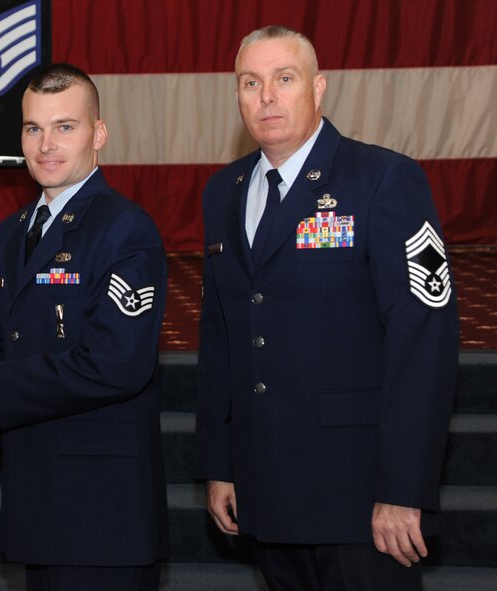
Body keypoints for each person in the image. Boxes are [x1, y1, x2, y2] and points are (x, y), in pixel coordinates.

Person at [194, 25, 459, 590]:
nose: (266, 96)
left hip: (359, 498)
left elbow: (423, 343)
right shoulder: (223, 192)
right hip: (265, 488)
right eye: (250, 82)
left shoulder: (384, 179)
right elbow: (220, 340)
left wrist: (402, 490)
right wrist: (221, 466)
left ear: (318, 88)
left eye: (283, 79)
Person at [0, 63, 169, 590]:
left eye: (65, 127)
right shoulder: (10, 233)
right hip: (38, 503)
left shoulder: (126, 230)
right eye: (33, 128)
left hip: (104, 513)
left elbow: (116, 366)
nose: (46, 144)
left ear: (98, 134)